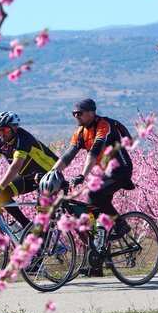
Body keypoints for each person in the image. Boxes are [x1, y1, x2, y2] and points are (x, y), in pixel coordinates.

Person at [51, 99, 135, 276]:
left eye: (79, 113)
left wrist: (83, 174)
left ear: (91, 112)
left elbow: (94, 152)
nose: (76, 116)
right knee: (90, 212)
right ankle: (95, 263)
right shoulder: (80, 133)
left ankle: (121, 224)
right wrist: (51, 173)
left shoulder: (104, 125)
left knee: (95, 193)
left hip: (121, 169)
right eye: (74, 114)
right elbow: (68, 156)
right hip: (106, 172)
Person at [0, 111, 58, 231]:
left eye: (4, 130)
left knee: (42, 210)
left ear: (14, 128)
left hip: (50, 175)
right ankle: (28, 228)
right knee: (4, 194)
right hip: (30, 176)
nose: (1, 133)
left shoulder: (23, 139)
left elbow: (15, 166)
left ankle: (51, 242)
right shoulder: (1, 142)